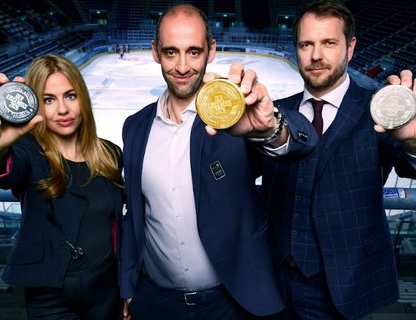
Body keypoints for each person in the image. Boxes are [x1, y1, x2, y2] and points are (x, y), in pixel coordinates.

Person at [245, 1, 416, 319]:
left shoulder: (380, 111)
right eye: (306, 44)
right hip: (270, 281)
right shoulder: (272, 112)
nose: (316, 55)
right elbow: (238, 173)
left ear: (350, 47)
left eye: (329, 43)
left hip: (343, 284)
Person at [119, 4, 317, 320]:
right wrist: (128, 285)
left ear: (211, 50)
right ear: (155, 52)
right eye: (171, 52)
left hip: (232, 303)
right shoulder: (135, 127)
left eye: (193, 52)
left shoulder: (236, 117)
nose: (182, 66)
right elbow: (135, 214)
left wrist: (271, 128)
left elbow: (302, 141)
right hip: (156, 303)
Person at [0, 54, 124, 319]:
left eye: (71, 96)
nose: (62, 109)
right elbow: (3, 168)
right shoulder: (28, 153)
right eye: (48, 100)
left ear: (83, 99)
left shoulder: (110, 154)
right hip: (50, 295)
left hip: (107, 287)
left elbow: (117, 226)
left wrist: (126, 285)